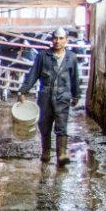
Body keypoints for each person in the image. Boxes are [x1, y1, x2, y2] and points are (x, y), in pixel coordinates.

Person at [18, 27, 80, 166]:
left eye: (61, 38)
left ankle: (62, 154)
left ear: (66, 40)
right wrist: (23, 91)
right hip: (45, 95)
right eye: (55, 38)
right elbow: (33, 74)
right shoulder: (42, 56)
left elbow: (75, 78)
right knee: (45, 125)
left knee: (62, 125)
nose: (57, 41)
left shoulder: (71, 57)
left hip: (63, 96)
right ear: (52, 40)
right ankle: (46, 152)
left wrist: (76, 95)